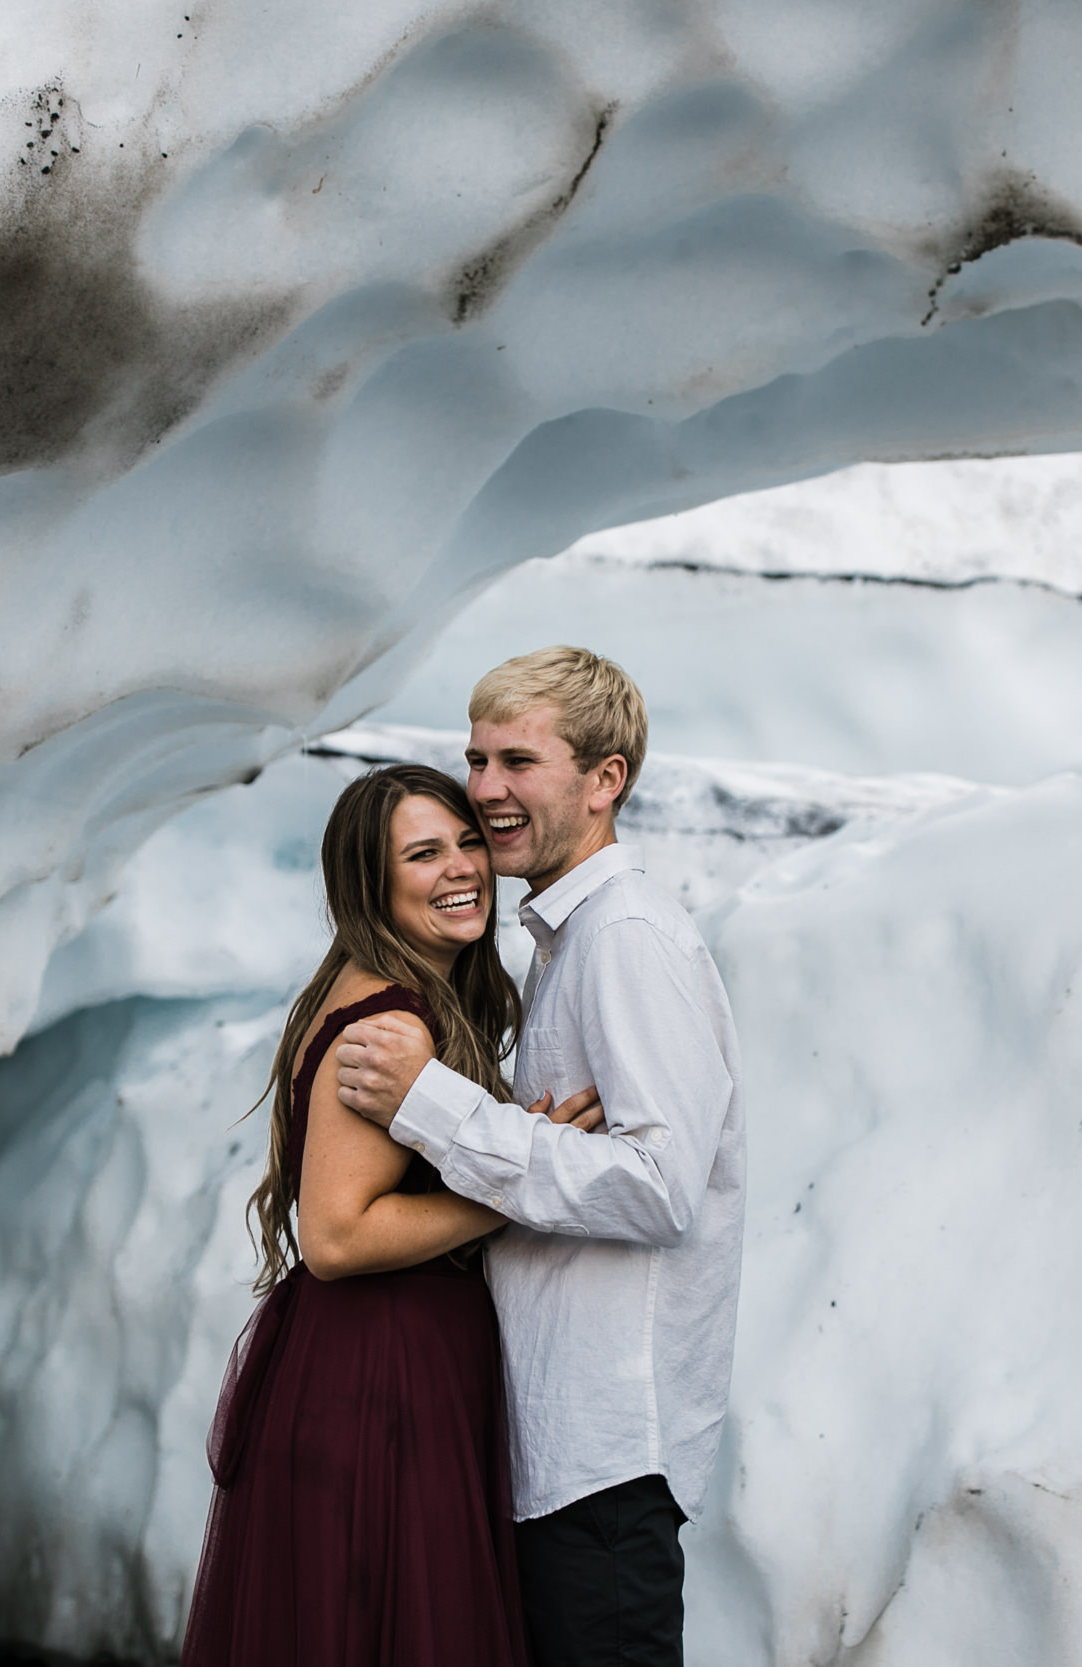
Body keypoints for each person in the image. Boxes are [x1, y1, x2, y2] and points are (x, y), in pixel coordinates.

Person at [336, 648, 745, 1667]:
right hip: (559, 1443)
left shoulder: (627, 940)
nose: (483, 789)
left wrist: (441, 1109)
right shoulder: (565, 943)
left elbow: (660, 1190)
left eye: (518, 759)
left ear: (604, 780)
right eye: (475, 759)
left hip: (603, 1455)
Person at [181, 762, 601, 1667]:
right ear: (371, 885)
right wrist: (508, 1185)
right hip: (380, 1378)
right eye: (423, 853)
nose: (461, 868)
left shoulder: (393, 993)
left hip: (387, 1364)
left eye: (465, 842)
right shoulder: (390, 1021)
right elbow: (335, 1235)